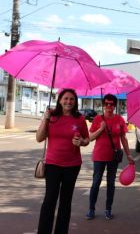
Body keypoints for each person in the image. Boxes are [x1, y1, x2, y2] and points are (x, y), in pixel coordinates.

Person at [36, 88, 90, 234]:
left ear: (75, 102)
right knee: (50, 200)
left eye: (72, 99)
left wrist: (81, 142)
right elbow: (39, 138)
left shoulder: (79, 118)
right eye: (65, 98)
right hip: (53, 164)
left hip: (72, 165)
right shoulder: (52, 116)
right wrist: (45, 119)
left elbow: (87, 139)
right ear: (60, 100)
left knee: (65, 201)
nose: (68, 101)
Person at [86, 94, 134, 220]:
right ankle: (91, 209)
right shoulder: (97, 119)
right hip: (99, 156)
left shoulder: (119, 119)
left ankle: (108, 209)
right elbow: (90, 138)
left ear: (115, 105)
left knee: (111, 183)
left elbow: (123, 139)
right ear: (103, 105)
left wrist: (129, 155)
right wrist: (101, 129)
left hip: (114, 157)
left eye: (111, 104)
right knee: (96, 182)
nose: (109, 106)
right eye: (106, 104)